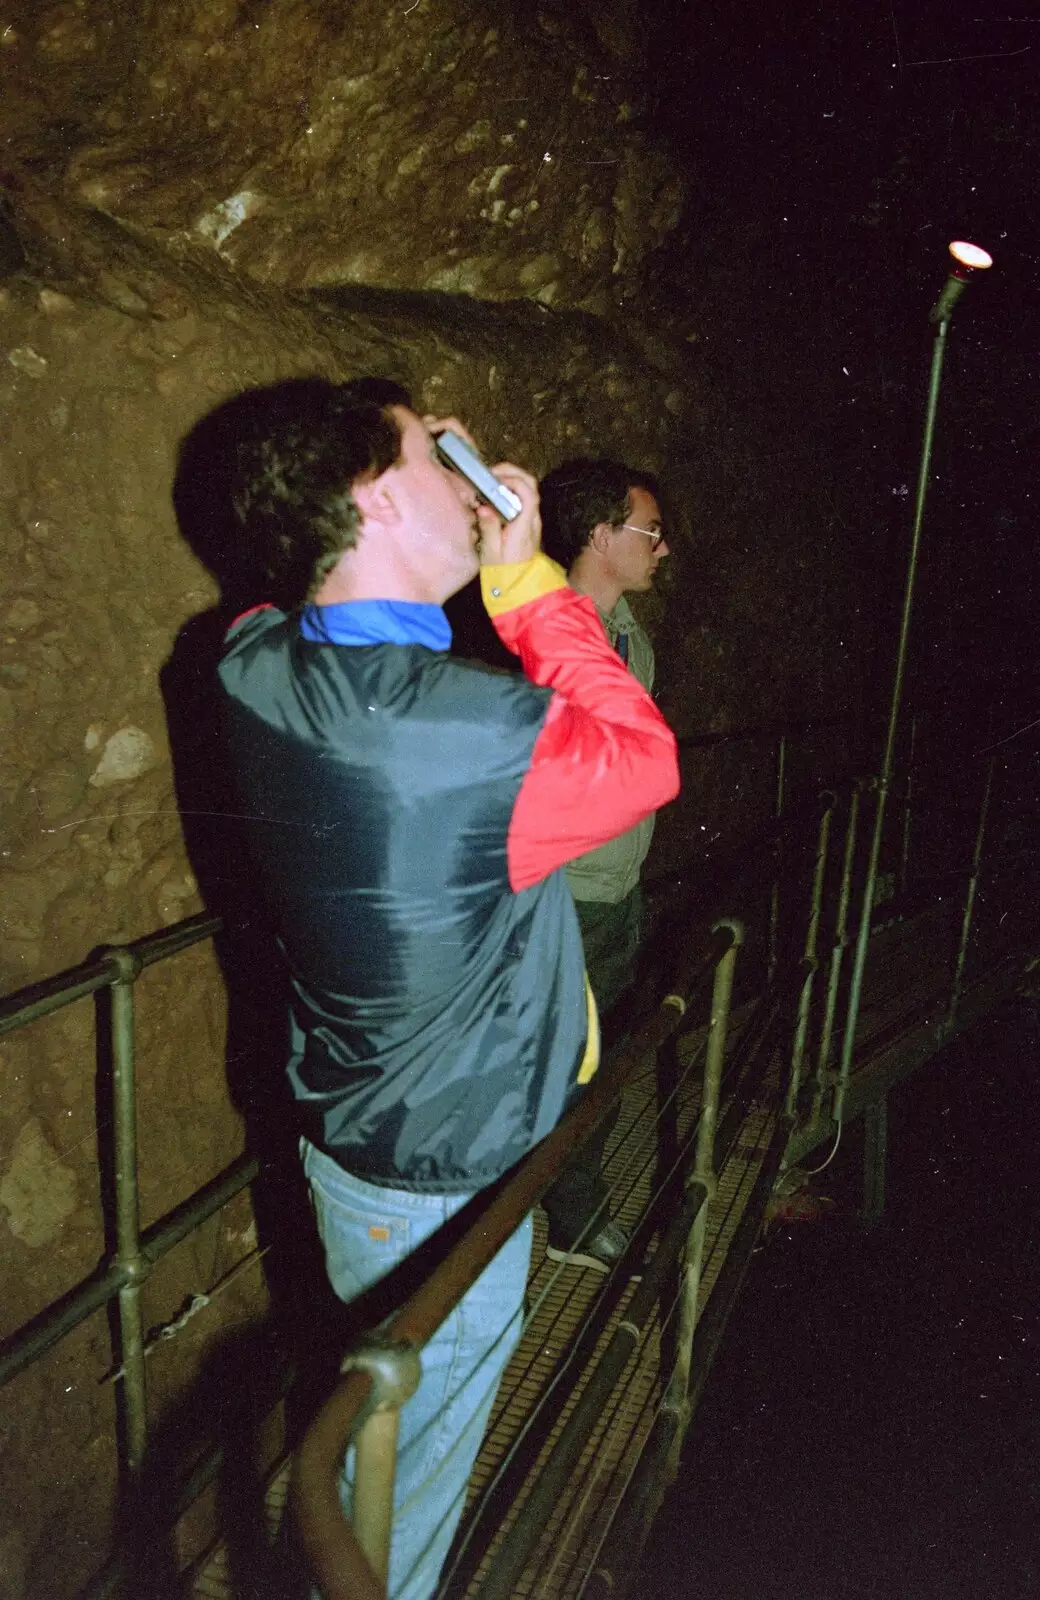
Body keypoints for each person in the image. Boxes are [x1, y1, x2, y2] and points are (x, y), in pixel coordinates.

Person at [213, 378, 679, 1600]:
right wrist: (525, 587)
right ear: (370, 501)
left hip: (356, 1132)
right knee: (401, 1492)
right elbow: (642, 761)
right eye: (438, 455)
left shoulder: (255, 656)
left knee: (379, 1424)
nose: (469, 474)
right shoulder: (467, 733)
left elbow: (295, 609)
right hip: (447, 1169)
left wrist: (471, 543)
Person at [538, 459, 671, 1274]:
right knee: (571, 1062)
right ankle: (572, 1220)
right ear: (599, 535)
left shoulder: (631, 640)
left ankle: (566, 1204)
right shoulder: (550, 637)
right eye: (649, 531)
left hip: (614, 889)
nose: (663, 547)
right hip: (563, 895)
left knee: (600, 1052)